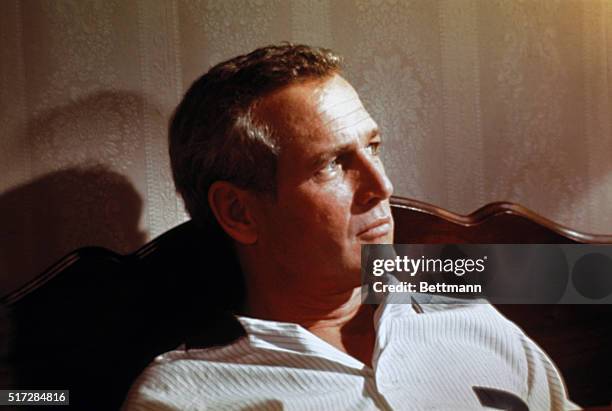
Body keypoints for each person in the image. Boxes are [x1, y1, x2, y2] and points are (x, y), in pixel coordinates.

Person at [122, 44, 576, 410]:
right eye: (333, 164)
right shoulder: (185, 397)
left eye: (373, 148)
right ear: (240, 212)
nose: (382, 185)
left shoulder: (475, 324)